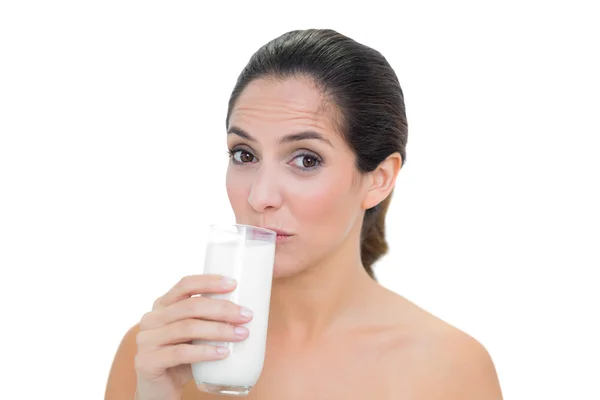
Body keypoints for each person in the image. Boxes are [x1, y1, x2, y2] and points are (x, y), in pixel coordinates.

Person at [105, 29, 503, 399]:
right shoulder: (160, 355)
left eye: (306, 160)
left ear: (379, 179)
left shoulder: (450, 369)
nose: (260, 196)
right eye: (244, 155)